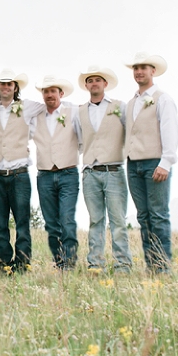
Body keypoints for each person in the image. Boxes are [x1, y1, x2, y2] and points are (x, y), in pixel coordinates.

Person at [125, 52, 178, 274]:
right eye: (136, 68)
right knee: (143, 216)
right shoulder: (131, 103)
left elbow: (170, 130)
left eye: (143, 68)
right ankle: (151, 265)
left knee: (158, 215)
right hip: (133, 165)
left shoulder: (163, 99)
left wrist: (166, 162)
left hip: (155, 163)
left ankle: (162, 268)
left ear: (153, 71)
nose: (139, 72)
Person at [0, 68, 44, 274]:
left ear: (15, 87)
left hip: (19, 174)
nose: (5, 87)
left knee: (22, 221)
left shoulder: (27, 106)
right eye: (2, 83)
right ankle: (3, 263)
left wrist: (27, 138)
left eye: (9, 84)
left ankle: (22, 264)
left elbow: (51, 106)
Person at [76, 67, 132, 273]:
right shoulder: (80, 111)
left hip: (114, 170)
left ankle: (122, 265)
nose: (94, 83)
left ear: (105, 84)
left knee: (118, 220)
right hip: (90, 172)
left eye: (98, 80)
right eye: (90, 80)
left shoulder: (120, 106)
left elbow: (130, 132)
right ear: (86, 85)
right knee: (95, 220)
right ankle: (95, 264)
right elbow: (79, 140)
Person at [33, 76, 82, 271]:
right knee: (51, 223)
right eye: (46, 91)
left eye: (53, 91)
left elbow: (83, 137)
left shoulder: (73, 111)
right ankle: (59, 260)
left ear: (61, 93)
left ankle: (69, 262)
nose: (49, 95)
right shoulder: (35, 116)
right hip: (44, 174)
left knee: (67, 219)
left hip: (68, 173)